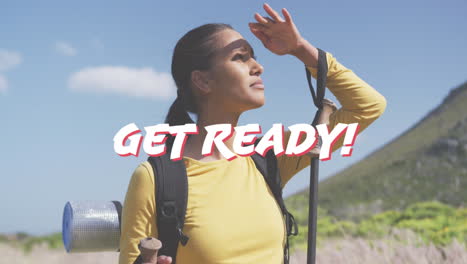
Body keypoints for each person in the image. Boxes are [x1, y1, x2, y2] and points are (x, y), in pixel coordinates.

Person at [119, 3, 386, 264]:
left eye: (253, 57)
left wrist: (301, 49)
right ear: (203, 81)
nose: (258, 67)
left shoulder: (269, 157)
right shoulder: (155, 179)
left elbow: (367, 107)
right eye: (240, 57)